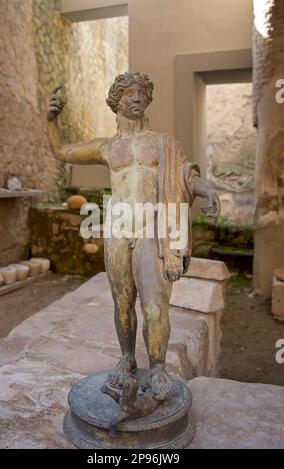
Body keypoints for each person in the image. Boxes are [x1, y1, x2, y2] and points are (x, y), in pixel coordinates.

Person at [47, 73, 220, 400]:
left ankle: (157, 367)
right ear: (116, 101)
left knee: (155, 305)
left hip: (152, 231)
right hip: (118, 229)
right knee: (122, 303)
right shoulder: (107, 147)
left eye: (140, 92)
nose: (135, 97)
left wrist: (207, 188)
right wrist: (51, 120)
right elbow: (61, 151)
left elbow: (185, 175)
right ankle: (127, 357)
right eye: (127, 93)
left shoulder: (163, 143)